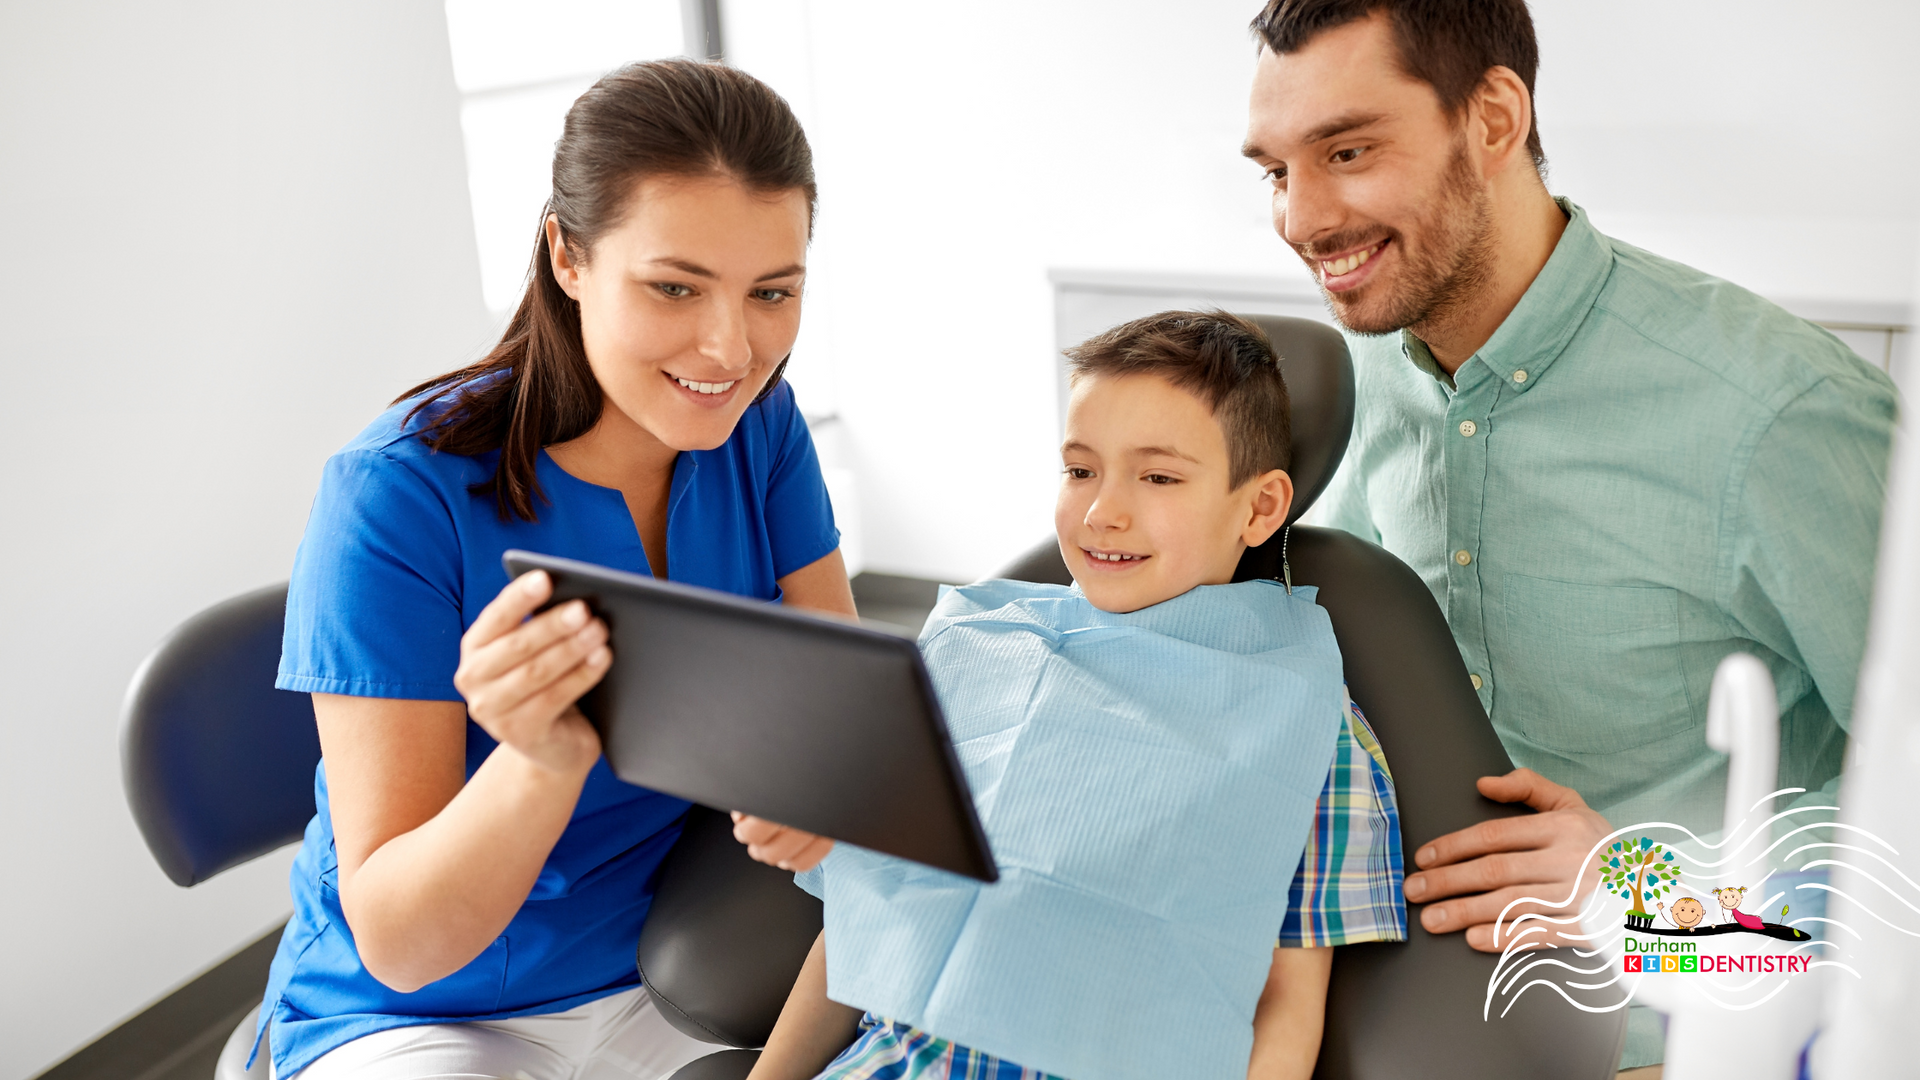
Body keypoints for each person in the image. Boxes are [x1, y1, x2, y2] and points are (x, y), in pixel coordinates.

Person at [1237, 0, 1897, 1070]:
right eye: (1273, 171)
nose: (1300, 217)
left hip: (1672, 1029)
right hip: (1358, 1007)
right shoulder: (1344, 395)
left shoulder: (1778, 417)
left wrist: (1647, 899)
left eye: (1347, 151)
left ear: (1493, 120)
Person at [254, 59, 855, 1080]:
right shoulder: (397, 495)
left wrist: (823, 787)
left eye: (773, 293)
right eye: (675, 286)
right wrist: (541, 761)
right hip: (420, 1011)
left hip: (677, 957)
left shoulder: (762, 429)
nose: (730, 349)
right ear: (567, 257)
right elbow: (401, 944)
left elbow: (835, 708)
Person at [740, 311, 1407, 1080]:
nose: (1102, 512)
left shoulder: (1308, 728)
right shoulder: (975, 657)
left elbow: (1286, 1003)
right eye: (1080, 469)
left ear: (1259, 507)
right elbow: (862, 928)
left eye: (1157, 476)